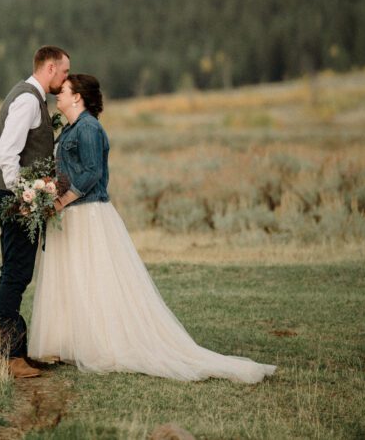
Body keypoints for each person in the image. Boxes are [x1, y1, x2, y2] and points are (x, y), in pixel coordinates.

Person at [29, 74, 276, 383]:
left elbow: (92, 173)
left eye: (63, 92)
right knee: (74, 276)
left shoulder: (90, 128)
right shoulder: (71, 128)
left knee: (96, 278)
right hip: (72, 213)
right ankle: (70, 341)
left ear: (77, 96)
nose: (58, 97)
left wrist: (60, 202)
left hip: (88, 213)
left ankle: (105, 342)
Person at [0, 45, 70, 379]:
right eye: (65, 72)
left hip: (15, 196)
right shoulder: (27, 99)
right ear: (50, 67)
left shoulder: (30, 97)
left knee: (15, 272)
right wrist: (22, 194)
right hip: (16, 199)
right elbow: (7, 152)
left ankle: (13, 350)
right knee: (16, 275)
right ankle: (11, 357)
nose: (66, 79)